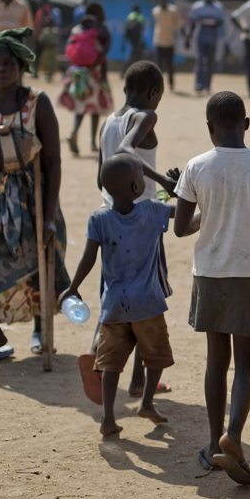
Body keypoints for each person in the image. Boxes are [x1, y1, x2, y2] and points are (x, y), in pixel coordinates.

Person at [173, 91, 250, 485]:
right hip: (248, 273)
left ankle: (212, 443)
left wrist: (211, 207)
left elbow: (181, 227)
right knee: (245, 362)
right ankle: (233, 435)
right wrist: (248, 206)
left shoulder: (196, 167)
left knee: (215, 361)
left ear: (209, 128)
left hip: (208, 273)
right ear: (247, 124)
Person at [0, 28, 69, 363]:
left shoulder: (38, 103)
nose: (1, 68)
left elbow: (52, 162)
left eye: (8, 63)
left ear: (21, 65)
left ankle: (40, 328)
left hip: (31, 198)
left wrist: (48, 216)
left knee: (37, 265)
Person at [60, 154, 178, 437]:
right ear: (137, 188)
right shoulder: (151, 211)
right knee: (156, 357)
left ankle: (108, 417)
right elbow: (179, 211)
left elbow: (89, 258)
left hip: (114, 306)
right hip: (148, 304)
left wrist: (73, 286)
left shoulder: (99, 218)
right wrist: (182, 186)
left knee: (110, 364)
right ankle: (147, 402)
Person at [85, 60, 180, 399]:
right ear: (153, 92)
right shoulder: (145, 116)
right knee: (148, 298)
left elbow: (102, 176)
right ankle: (139, 379)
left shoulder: (107, 122)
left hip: (110, 214)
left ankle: (108, 361)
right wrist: (161, 181)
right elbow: (127, 150)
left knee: (118, 292)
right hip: (141, 219)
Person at [59, 2, 113, 155]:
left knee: (80, 107)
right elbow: (105, 51)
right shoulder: (100, 29)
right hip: (95, 73)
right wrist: (96, 68)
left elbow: (69, 51)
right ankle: (93, 143)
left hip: (78, 74)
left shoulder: (77, 29)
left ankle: (74, 132)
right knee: (95, 108)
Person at [186, 0, 227, 95]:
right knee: (200, 60)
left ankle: (207, 85)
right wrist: (189, 37)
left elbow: (221, 22)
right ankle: (199, 84)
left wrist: (214, 24)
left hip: (213, 36)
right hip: (201, 35)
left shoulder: (218, 7)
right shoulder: (198, 6)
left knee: (210, 62)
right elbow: (192, 23)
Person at [152, 0, 180, 92]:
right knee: (159, 66)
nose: (162, 2)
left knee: (170, 66)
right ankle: (158, 86)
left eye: (164, 0)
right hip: (159, 41)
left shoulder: (173, 10)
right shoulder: (156, 11)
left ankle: (171, 85)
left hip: (169, 42)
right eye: (161, 0)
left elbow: (177, 24)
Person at [32, 0, 61, 79]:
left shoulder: (45, 10)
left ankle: (38, 73)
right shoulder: (49, 10)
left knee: (40, 55)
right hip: (45, 35)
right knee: (46, 56)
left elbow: (45, 22)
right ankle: (46, 74)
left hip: (44, 36)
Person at [122, 4, 146, 77]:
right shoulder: (140, 16)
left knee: (133, 57)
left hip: (131, 40)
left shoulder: (130, 16)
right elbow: (142, 29)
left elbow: (127, 29)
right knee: (136, 57)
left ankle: (124, 73)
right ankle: (126, 73)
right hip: (137, 40)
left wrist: (124, 42)